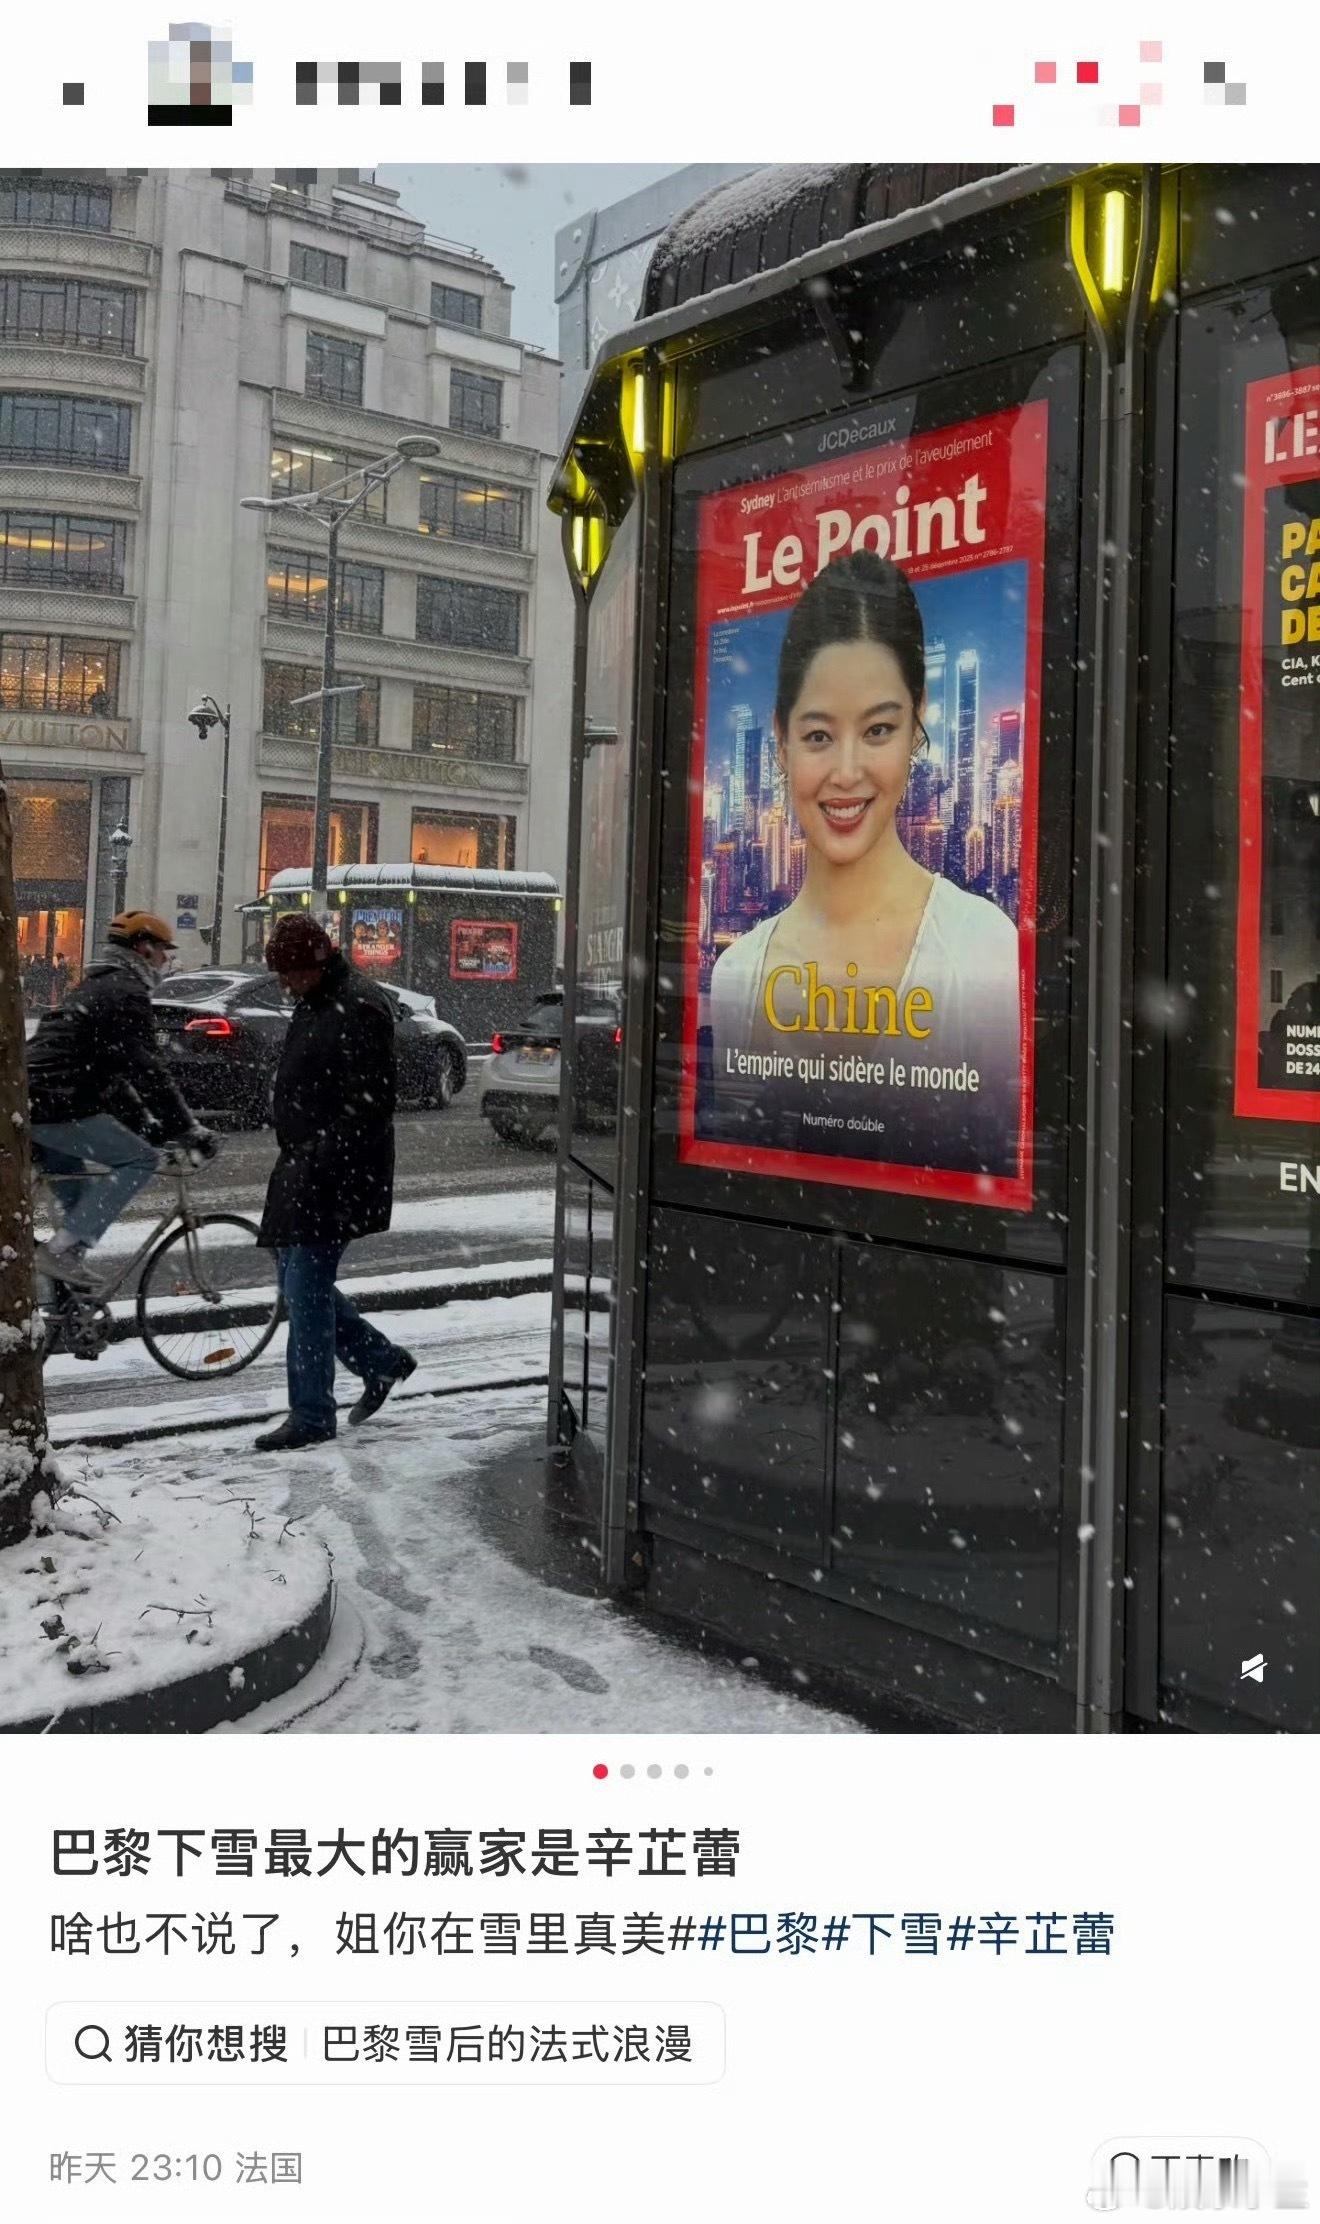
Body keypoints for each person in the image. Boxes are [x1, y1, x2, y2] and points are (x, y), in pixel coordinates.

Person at [707, 550, 1021, 1173]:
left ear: (917, 723)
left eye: (878, 730)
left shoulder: (984, 949)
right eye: (818, 736)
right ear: (781, 741)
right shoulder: (737, 974)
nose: (847, 773)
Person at [255, 915, 415, 1451]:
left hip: (336, 1175)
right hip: (305, 1167)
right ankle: (380, 1360)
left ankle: (312, 1414)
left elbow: (371, 1102)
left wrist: (321, 1155)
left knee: (304, 1291)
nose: (285, 984)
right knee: (299, 1285)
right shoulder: (319, 999)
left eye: (291, 972)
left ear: (316, 963)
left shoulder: (360, 1006)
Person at [27, 910, 217, 1286]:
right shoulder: (126, 993)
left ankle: (67, 1302)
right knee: (140, 1160)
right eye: (163, 951)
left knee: (78, 1202)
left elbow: (112, 1073)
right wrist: (187, 1129)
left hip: (36, 1099)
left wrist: (147, 1124)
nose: (165, 960)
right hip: (57, 1104)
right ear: (143, 949)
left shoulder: (96, 986)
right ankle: (63, 1253)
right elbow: (147, 1070)